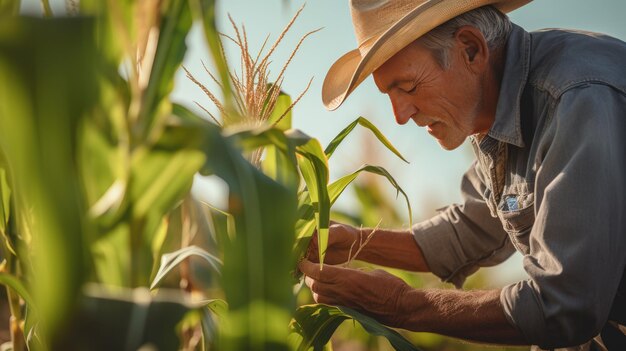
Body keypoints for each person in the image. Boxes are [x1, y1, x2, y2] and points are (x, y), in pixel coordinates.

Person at [298, 0, 626, 349]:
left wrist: (402, 306)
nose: (400, 115)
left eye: (407, 87)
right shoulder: (492, 107)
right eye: (389, 95)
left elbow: (564, 307)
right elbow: (470, 231)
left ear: (471, 49)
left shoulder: (576, 101)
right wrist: (352, 242)